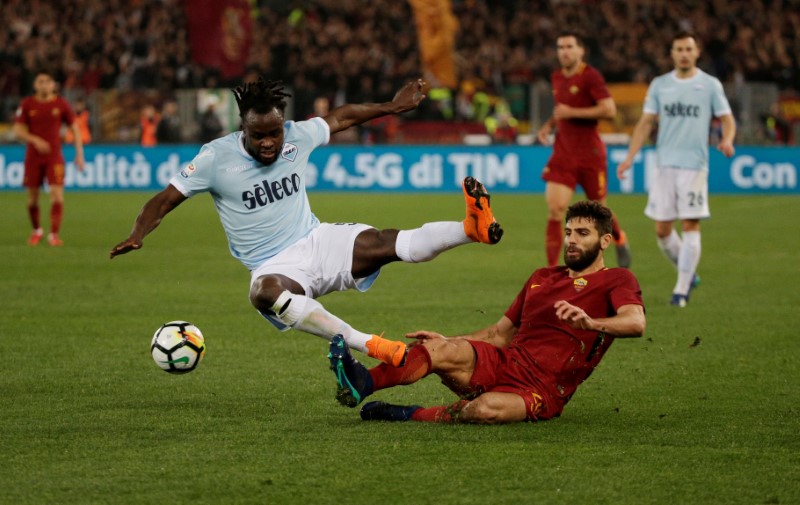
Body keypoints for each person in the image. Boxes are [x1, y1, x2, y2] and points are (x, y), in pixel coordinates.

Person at [110, 76, 503, 368]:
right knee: (263, 293)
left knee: (390, 242)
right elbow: (164, 199)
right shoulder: (215, 158)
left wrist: (392, 106)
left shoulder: (298, 136)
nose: (269, 143)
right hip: (275, 264)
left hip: (317, 239)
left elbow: (342, 116)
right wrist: (137, 233)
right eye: (258, 135)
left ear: (283, 126)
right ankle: (371, 345)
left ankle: (471, 229)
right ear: (242, 129)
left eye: (275, 133)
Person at [328, 200, 645, 424]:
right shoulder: (542, 277)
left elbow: (635, 322)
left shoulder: (617, 279)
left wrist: (592, 322)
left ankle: (409, 413)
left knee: (483, 410)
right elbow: (498, 334)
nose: (571, 240)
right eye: (569, 232)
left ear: (605, 241)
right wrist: (449, 340)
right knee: (434, 348)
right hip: (506, 363)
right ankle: (362, 383)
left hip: (542, 390)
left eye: (582, 234)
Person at [617, 31, 736, 307]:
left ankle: (681, 291)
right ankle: (688, 270)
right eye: (679, 49)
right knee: (662, 230)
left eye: (688, 49)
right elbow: (645, 123)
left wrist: (727, 140)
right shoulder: (660, 85)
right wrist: (629, 157)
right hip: (664, 164)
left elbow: (727, 119)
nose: (684, 53)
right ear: (672, 53)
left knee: (690, 223)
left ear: (696, 53)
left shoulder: (709, 85)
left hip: (694, 165)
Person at [537, 30, 631, 269]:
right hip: (563, 154)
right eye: (560, 47)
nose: (564, 51)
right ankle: (551, 271)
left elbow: (609, 110)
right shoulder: (557, 77)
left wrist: (572, 113)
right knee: (556, 209)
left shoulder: (591, 77)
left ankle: (620, 238)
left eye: (569, 46)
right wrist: (549, 125)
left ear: (581, 50)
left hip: (591, 155)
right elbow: (562, 109)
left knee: (600, 211)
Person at [13, 70, 85, 247]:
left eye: (47, 81)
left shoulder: (61, 104)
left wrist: (79, 154)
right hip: (33, 157)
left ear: (53, 85)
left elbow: (75, 129)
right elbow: (18, 130)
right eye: (40, 81)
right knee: (32, 198)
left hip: (54, 157)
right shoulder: (27, 104)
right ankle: (37, 230)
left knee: (57, 195)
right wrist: (35, 140)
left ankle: (54, 234)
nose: (44, 84)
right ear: (35, 85)